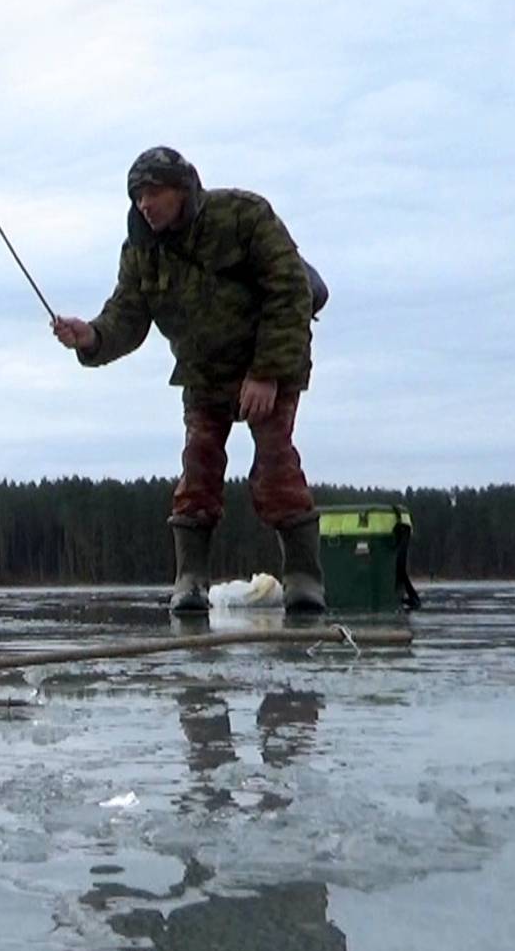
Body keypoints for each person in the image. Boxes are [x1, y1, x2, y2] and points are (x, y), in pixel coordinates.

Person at [51, 146, 326, 613]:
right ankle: (191, 580)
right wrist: (91, 336)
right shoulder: (141, 250)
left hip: (269, 365)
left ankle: (304, 578)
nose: (145, 204)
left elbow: (290, 291)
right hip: (204, 373)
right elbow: (128, 315)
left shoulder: (243, 215)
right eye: (138, 196)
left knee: (275, 466)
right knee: (198, 470)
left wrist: (265, 374)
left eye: (154, 192)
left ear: (183, 189)